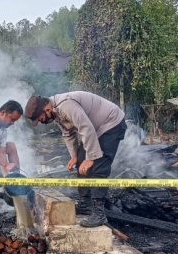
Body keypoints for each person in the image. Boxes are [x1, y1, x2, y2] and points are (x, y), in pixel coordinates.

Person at [24, 92, 126, 227]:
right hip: (96, 129)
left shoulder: (66, 105)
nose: (43, 122)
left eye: (41, 119)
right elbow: (68, 133)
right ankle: (85, 204)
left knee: (99, 165)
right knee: (81, 160)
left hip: (111, 123)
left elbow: (86, 128)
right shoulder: (57, 112)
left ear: (47, 109)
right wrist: (75, 156)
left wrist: (91, 158)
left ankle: (99, 214)